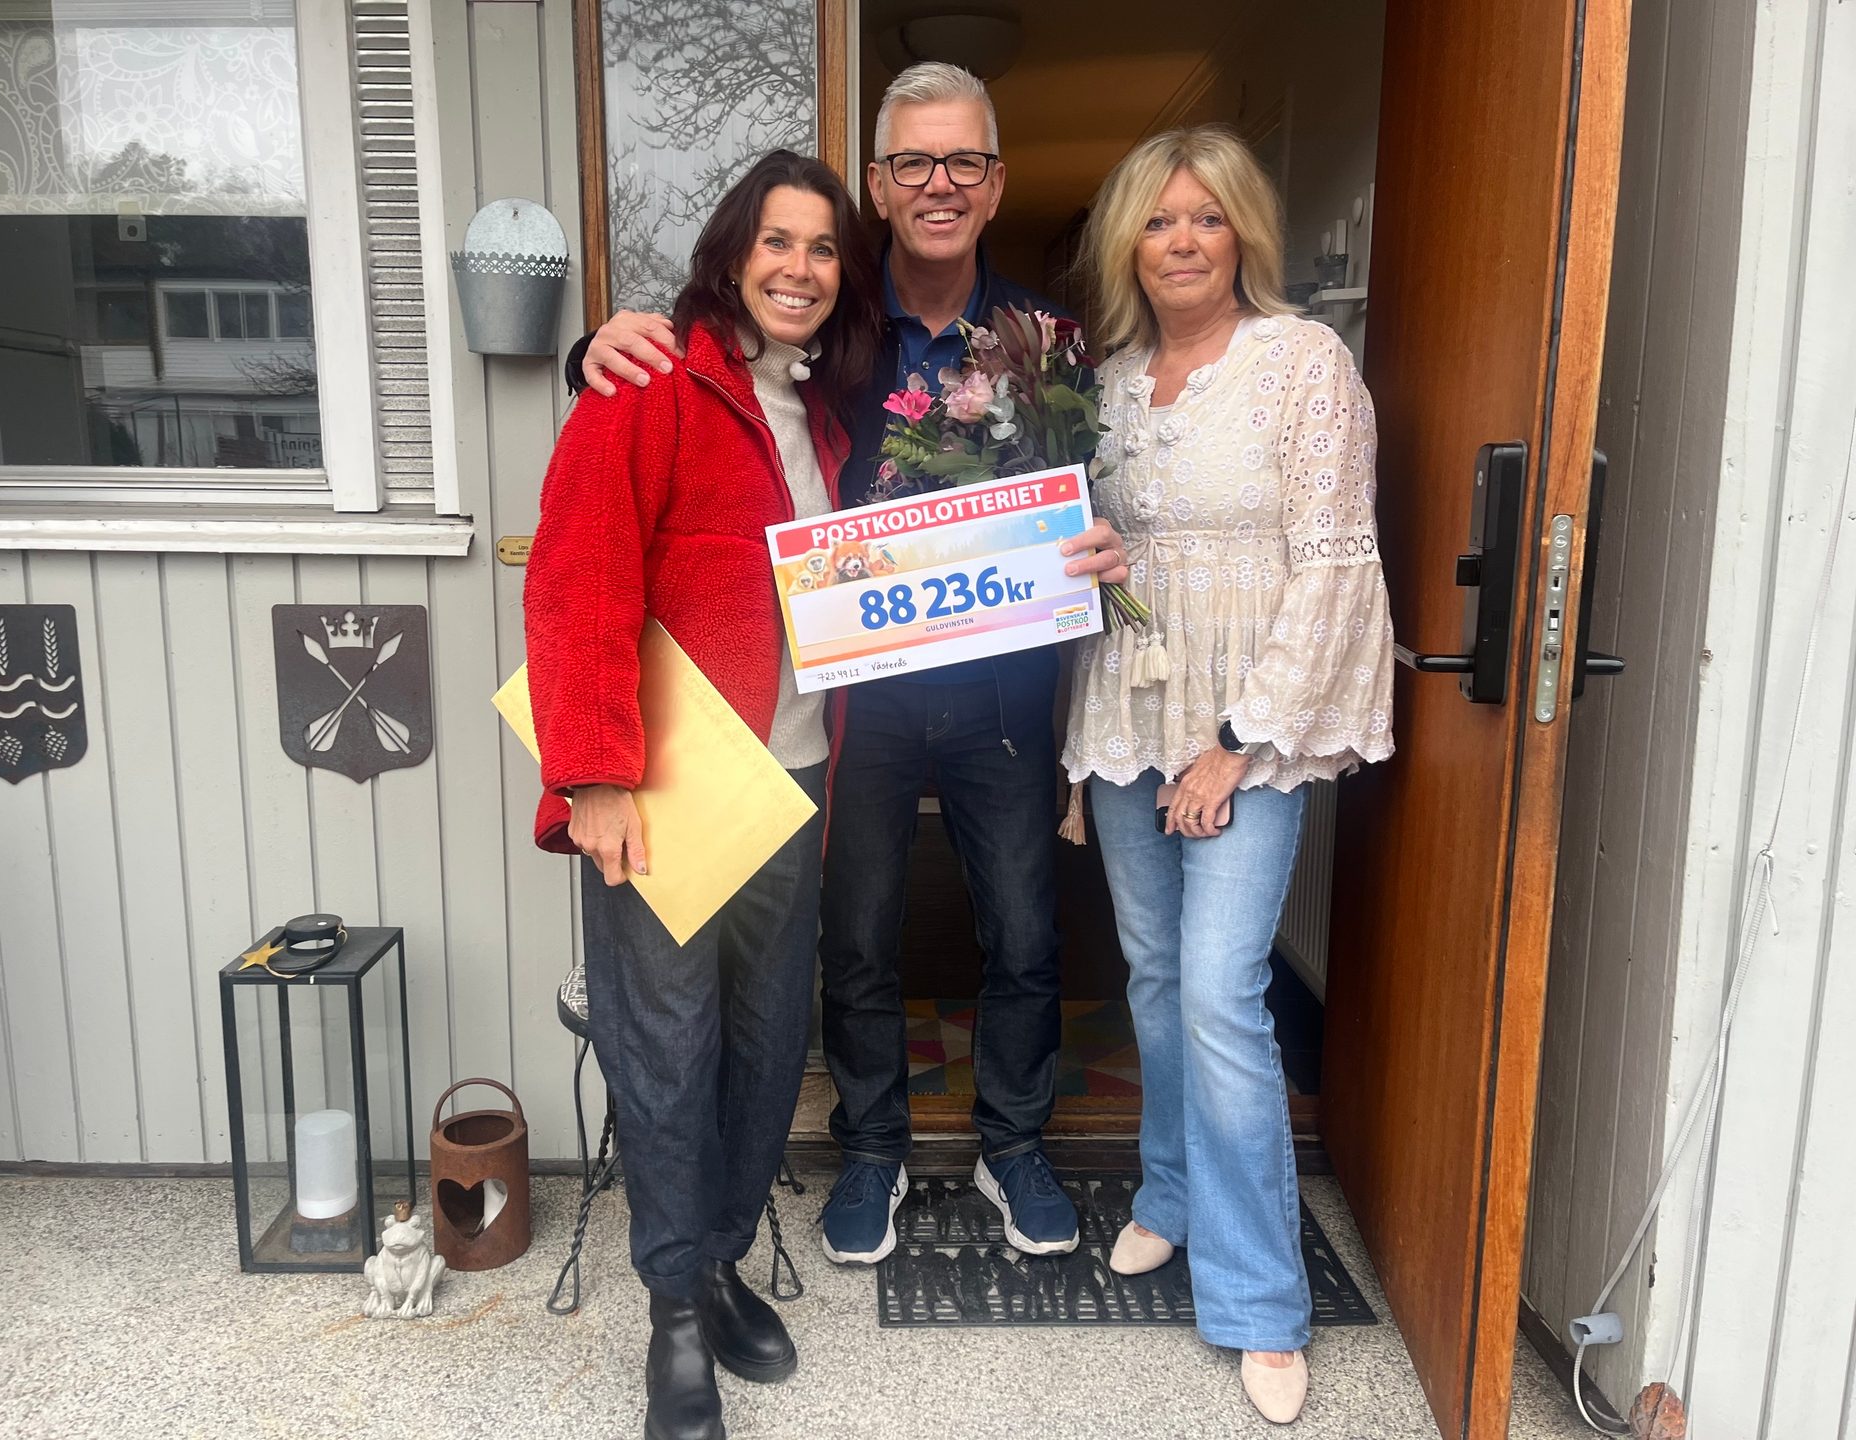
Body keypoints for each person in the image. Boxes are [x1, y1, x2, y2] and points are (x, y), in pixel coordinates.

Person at [580, 63, 1130, 1268]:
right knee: (862, 935)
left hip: (1003, 699)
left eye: (965, 163)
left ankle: (1014, 1143)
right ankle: (873, 1146)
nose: (941, 184)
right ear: (880, 186)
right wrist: (602, 342)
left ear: (995, 184)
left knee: (1027, 933)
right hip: (855, 703)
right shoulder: (828, 328)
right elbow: (715, 371)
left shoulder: (1052, 342)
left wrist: (1100, 541)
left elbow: (1090, 505)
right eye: (914, 164)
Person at [523, 149, 879, 1440]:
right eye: (777, 242)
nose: (799, 268)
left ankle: (723, 1260)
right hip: (667, 791)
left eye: (824, 249)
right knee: (667, 1051)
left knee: (766, 1041)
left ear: (844, 279)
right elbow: (576, 580)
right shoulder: (652, 379)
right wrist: (595, 775)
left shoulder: (822, 417)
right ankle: (673, 1311)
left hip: (787, 784)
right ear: (734, 253)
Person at [1061, 125, 1396, 1425]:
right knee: (1152, 973)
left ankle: (1261, 1298)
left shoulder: (1306, 366)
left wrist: (1239, 740)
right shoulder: (1109, 380)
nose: (1182, 242)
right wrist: (1079, 556)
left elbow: (1334, 560)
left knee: (1218, 989)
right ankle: (1170, 1191)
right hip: (1125, 708)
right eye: (1158, 221)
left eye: (1206, 219)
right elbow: (1096, 546)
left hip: (1248, 720)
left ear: (1244, 230)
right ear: (1129, 242)